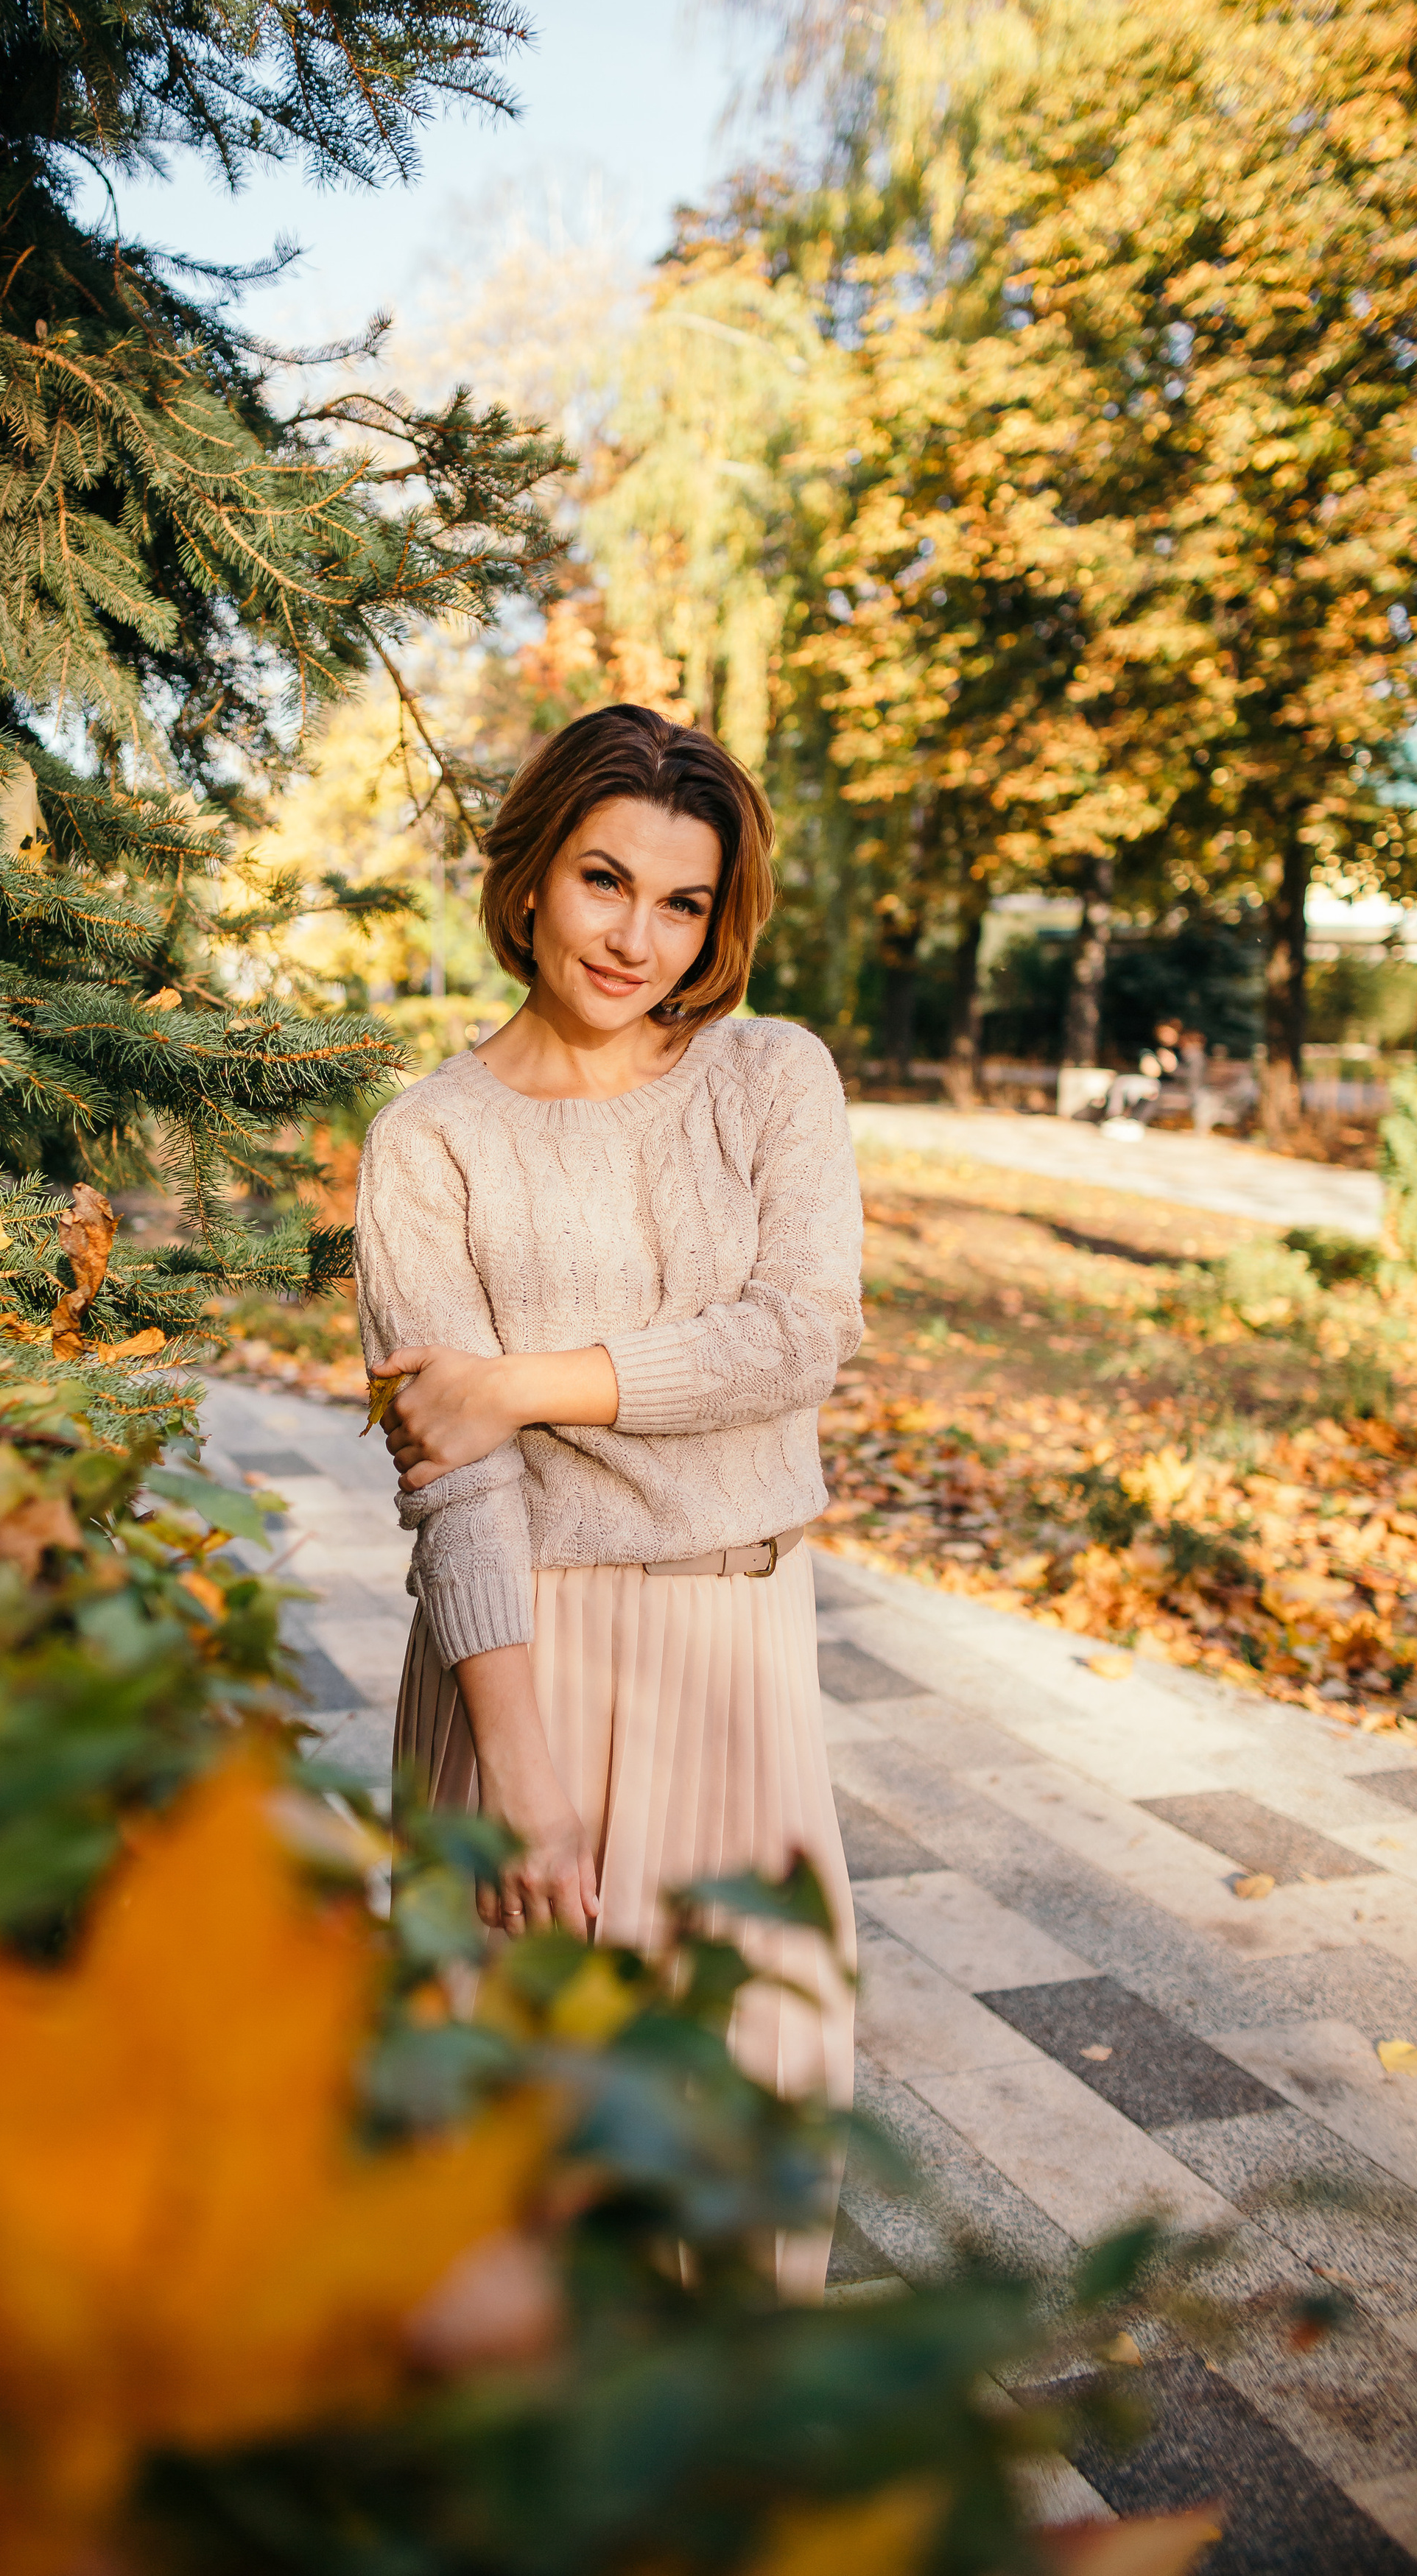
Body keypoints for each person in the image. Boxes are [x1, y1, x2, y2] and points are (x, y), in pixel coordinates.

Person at [354, 703, 861, 2198]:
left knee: (759, 2101)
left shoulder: (772, 1079)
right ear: (528, 880)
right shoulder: (427, 1141)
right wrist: (520, 1771)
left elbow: (794, 1338)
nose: (636, 937)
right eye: (602, 880)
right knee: (518, 2147)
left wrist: (518, 1383)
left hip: (736, 1657)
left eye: (681, 902)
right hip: (521, 1660)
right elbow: (455, 1477)